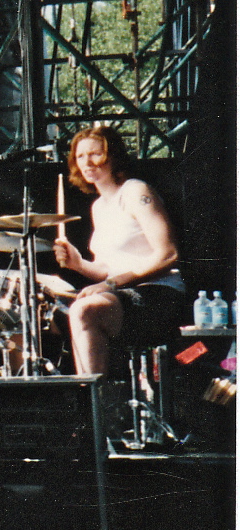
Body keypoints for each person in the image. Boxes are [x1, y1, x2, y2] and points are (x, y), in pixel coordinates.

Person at [53, 125, 184, 376]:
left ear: (113, 156)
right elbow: (107, 270)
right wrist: (78, 264)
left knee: (84, 309)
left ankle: (94, 403)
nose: (87, 162)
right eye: (80, 156)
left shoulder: (136, 191)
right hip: (123, 294)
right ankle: (85, 394)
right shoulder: (99, 207)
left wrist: (112, 284)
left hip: (160, 294)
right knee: (50, 310)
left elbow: (168, 254)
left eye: (95, 154)